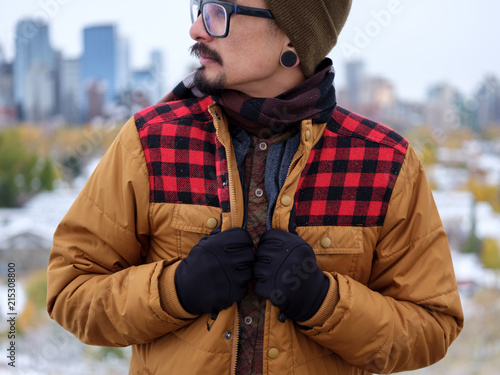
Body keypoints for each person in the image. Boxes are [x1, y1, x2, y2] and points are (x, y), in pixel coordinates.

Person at [47, 0, 464, 374]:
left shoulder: (384, 162)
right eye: (199, 9)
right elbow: (70, 290)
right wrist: (176, 290)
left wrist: (323, 302)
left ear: (291, 35)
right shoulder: (150, 141)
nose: (196, 30)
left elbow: (433, 325)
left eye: (219, 12)